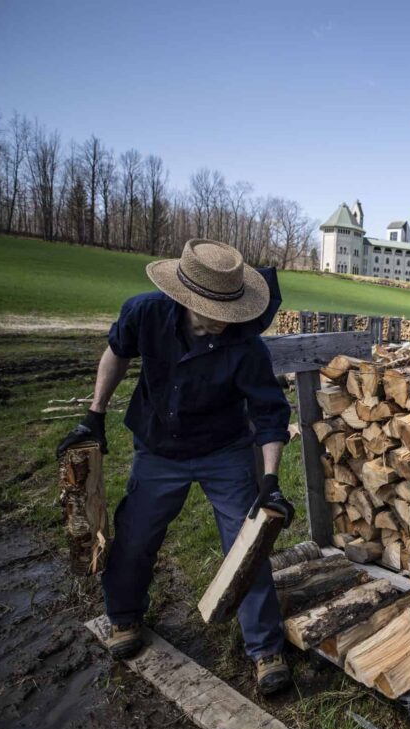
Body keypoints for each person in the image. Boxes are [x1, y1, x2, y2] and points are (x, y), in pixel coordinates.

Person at [56, 238, 297, 695]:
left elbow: (270, 416)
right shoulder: (144, 313)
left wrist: (269, 479)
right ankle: (124, 617)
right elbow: (117, 353)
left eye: (232, 313)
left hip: (224, 450)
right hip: (158, 446)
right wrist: (95, 414)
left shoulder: (246, 346)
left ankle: (265, 649)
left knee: (248, 544)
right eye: (215, 314)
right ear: (187, 300)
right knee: (136, 533)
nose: (226, 323)